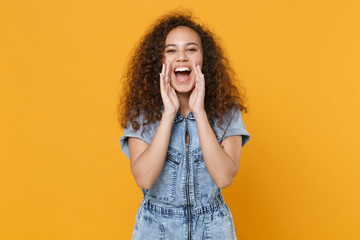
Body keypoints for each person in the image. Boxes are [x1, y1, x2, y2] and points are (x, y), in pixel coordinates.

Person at [119, 12, 250, 240]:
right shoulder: (142, 114)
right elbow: (144, 178)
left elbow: (224, 178)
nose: (181, 57)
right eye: (171, 50)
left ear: (203, 60)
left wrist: (199, 112)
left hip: (213, 230)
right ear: (160, 61)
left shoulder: (227, 112)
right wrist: (169, 114)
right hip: (156, 230)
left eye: (191, 49)